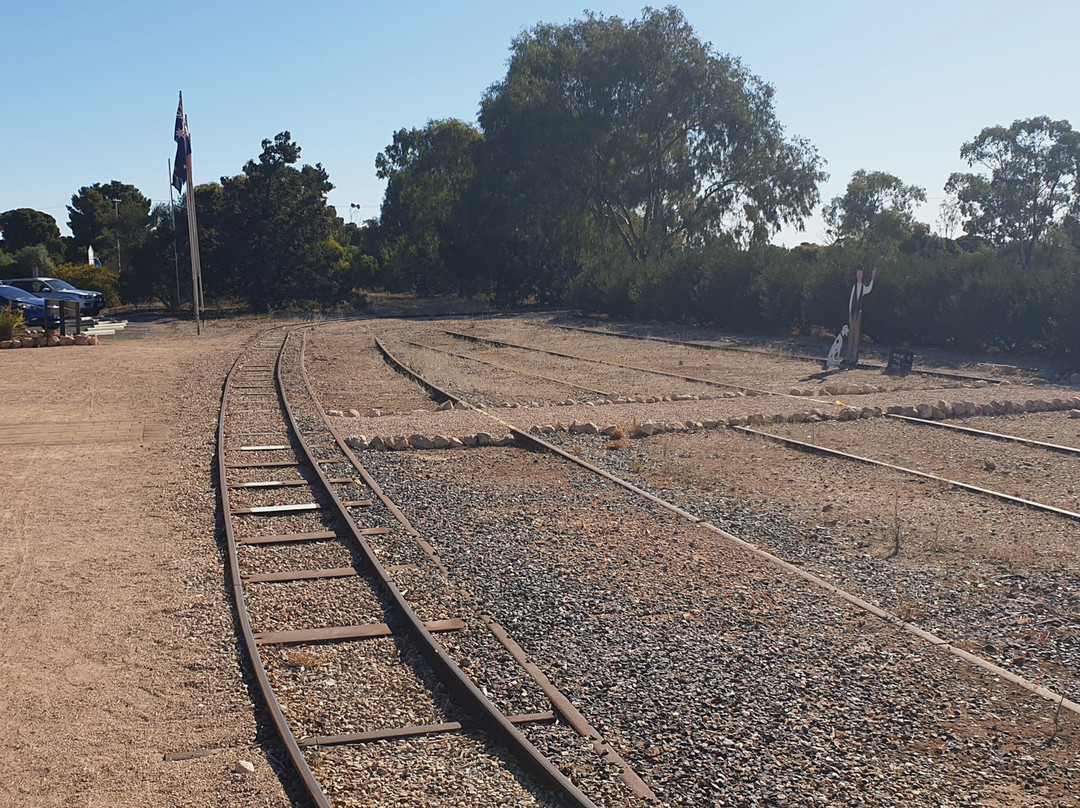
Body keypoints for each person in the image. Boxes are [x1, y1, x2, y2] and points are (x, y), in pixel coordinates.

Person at [846, 267, 877, 365]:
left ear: (862, 275)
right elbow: (851, 302)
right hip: (853, 314)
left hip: (858, 314)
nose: (859, 276)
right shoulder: (854, 287)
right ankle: (848, 357)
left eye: (861, 274)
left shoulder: (863, 288)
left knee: (856, 336)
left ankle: (854, 358)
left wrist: (872, 278)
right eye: (858, 274)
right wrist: (849, 314)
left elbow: (869, 289)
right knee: (851, 336)